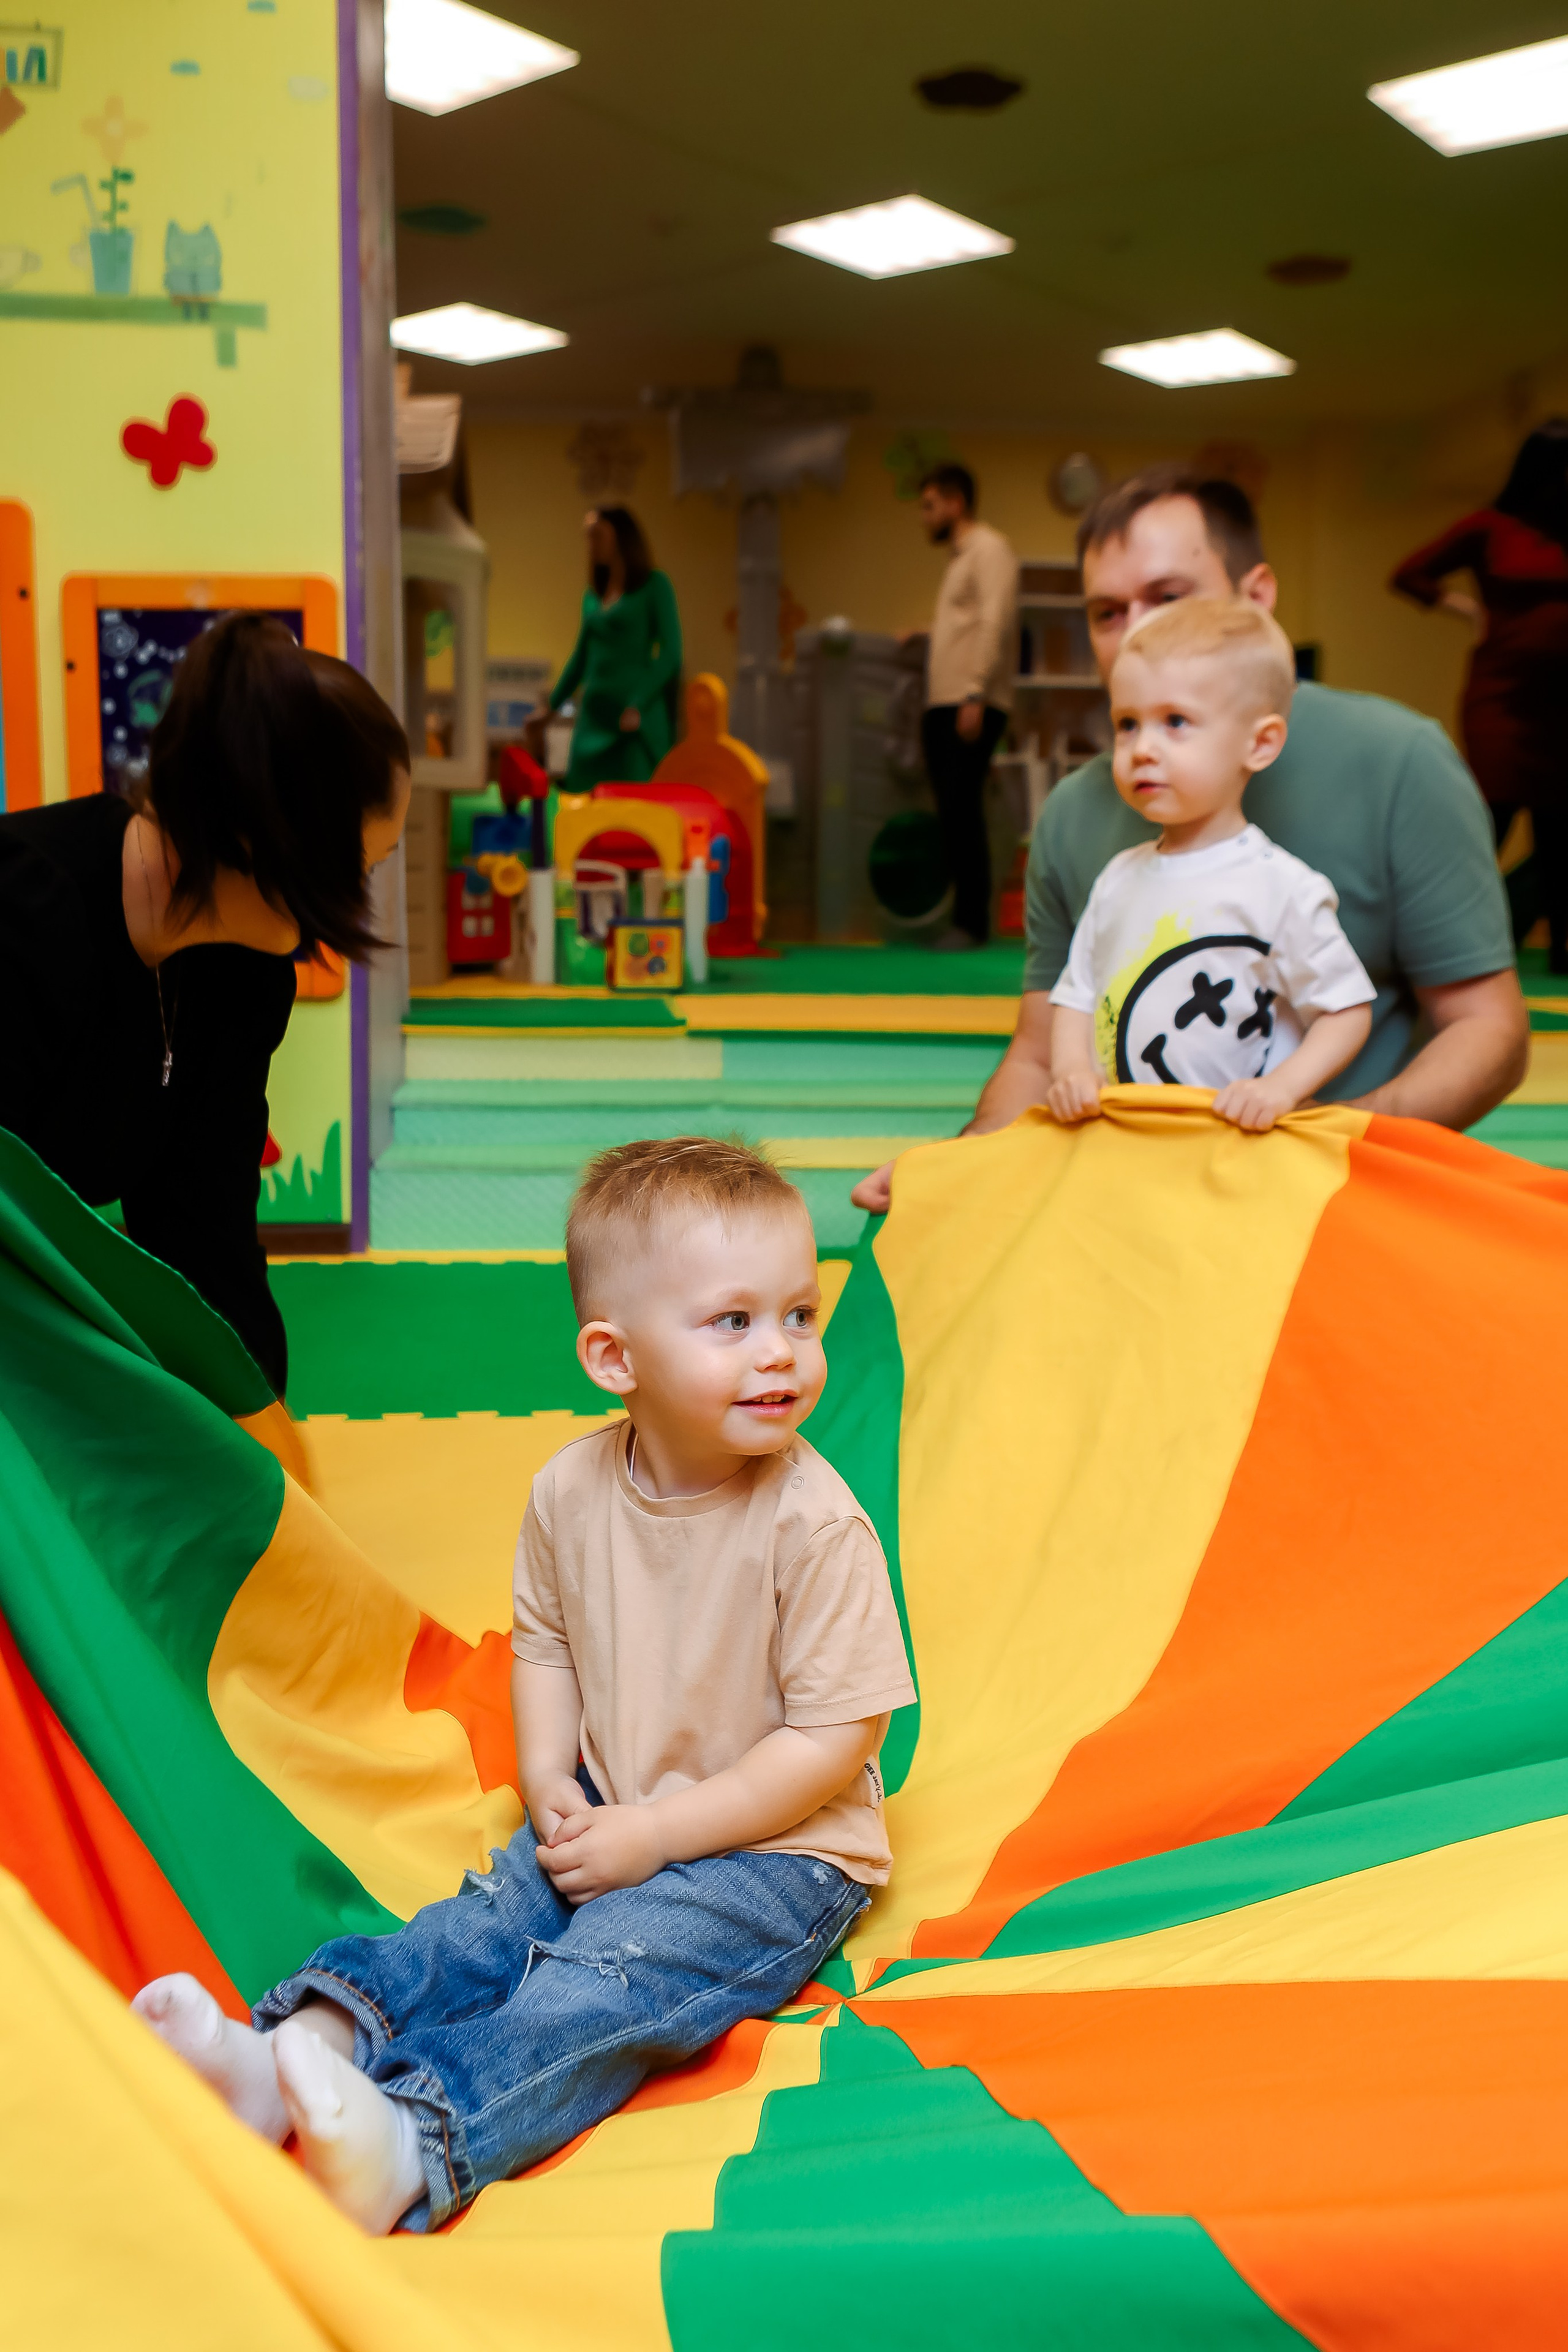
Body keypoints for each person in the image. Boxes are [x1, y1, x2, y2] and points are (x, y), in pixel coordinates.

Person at [132, 1137, 914, 2235]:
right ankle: (297, 2051)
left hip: (776, 1851)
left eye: (800, 1315)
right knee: (480, 1926)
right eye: (734, 1322)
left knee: (606, 1979)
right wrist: (552, 1772)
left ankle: (413, 2136)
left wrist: (657, 1839)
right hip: (620, 1794)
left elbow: (835, 1740)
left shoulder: (815, 1523)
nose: (783, 1353)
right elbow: (544, 1644)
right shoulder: (570, 1490)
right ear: (614, 1358)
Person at [852, 465, 1526, 1212]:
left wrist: (1332, 1143)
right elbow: (1043, 1050)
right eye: (1107, 612)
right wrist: (969, 1160)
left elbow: (1485, 1028)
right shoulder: (1077, 814)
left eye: (1169, 598)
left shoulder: (1399, 761)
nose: (1137, 630)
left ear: (1258, 599)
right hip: (1136, 1187)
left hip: (1339, 1192)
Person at [0, 612, 410, 1396]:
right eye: (358, 865)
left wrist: (268, 1453)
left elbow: (206, 1244)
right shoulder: (25, 912)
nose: (357, 900)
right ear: (272, 839)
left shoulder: (242, 980)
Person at [1047, 598, 1373, 1133]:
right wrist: (1072, 1071)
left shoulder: (1280, 888)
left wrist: (1280, 1090)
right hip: (1123, 1135)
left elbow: (1346, 1010)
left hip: (1231, 1145)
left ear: (1259, 743)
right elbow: (1076, 994)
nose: (1142, 748)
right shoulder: (1118, 879)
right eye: (1127, 724)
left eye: (1176, 721)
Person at [1391, 417, 1568, 970]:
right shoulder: (1490, 528)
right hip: (1502, 700)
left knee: (1560, 829)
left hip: (1562, 704)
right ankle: (1447, 944)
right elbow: (1411, 573)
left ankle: (1561, 950)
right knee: (1487, 819)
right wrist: (1466, 608)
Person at [917, 463, 1018, 950]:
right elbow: (965, 622)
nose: (925, 517)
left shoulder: (989, 550)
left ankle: (972, 923)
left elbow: (994, 619)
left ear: (956, 503)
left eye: (930, 505)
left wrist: (976, 691)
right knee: (951, 810)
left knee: (963, 809)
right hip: (948, 699)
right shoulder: (959, 558)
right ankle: (964, 919)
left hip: (969, 700)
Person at [529, 507, 683, 793]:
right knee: (582, 799)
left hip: (633, 722)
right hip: (595, 720)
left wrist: (638, 701)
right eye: (588, 537)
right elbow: (580, 660)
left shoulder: (654, 586)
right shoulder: (593, 598)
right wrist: (550, 708)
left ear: (621, 537)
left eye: (597, 535)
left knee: (634, 804)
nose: (591, 544)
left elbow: (671, 654)